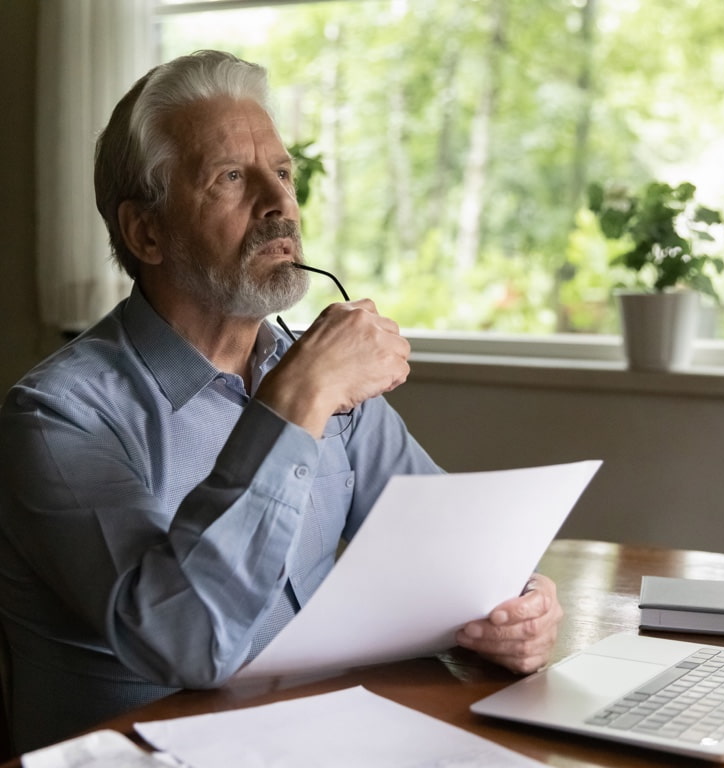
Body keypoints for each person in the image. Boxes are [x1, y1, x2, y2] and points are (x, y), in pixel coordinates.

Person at [0, 50, 562, 753]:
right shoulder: (57, 418)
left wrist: (519, 607)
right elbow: (190, 645)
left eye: (285, 172)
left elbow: (457, 557)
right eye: (232, 177)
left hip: (321, 741)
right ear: (147, 231)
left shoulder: (309, 368)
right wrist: (296, 402)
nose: (280, 204)